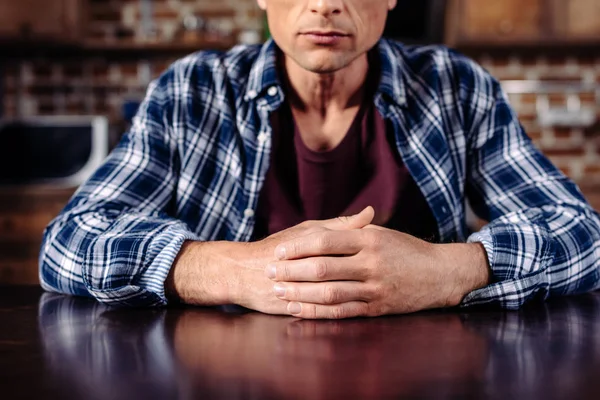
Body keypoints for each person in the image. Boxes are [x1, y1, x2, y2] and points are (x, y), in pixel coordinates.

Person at [39, 0, 600, 319]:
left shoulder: (456, 87)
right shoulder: (192, 90)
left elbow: (583, 234)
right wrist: (228, 269)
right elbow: (69, 243)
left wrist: (450, 269)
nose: (325, 3)